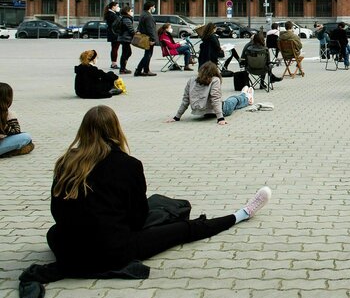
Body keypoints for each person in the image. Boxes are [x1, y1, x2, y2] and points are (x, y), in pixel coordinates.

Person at [48, 105, 271, 277]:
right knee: (183, 229)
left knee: (54, 231)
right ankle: (242, 214)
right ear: (116, 129)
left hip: (69, 247)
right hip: (112, 250)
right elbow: (137, 220)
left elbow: (57, 212)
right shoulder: (128, 164)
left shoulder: (66, 161)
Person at [167, 62, 255, 125]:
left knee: (234, 104)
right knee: (233, 99)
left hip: (203, 112)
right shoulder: (215, 80)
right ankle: (246, 96)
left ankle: (246, 98)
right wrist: (220, 118)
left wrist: (177, 117)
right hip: (222, 109)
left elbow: (185, 100)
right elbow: (215, 99)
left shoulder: (191, 80)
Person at [0, 82, 34, 158]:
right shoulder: (8, 114)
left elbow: (16, 131)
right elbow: (16, 132)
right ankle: (9, 152)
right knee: (26, 137)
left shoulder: (6, 113)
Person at [134, 2, 158, 77]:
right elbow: (150, 28)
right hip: (148, 38)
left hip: (145, 36)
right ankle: (141, 70)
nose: (154, 8)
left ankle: (143, 70)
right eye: (154, 6)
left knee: (147, 54)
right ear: (150, 7)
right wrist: (153, 39)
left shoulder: (143, 14)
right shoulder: (148, 16)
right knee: (148, 55)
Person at [115, 4, 135, 75]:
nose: (132, 12)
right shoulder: (126, 19)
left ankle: (123, 68)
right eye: (131, 11)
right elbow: (130, 29)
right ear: (127, 11)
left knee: (127, 52)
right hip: (125, 38)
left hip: (124, 38)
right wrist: (135, 34)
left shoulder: (124, 18)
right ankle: (122, 69)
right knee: (126, 53)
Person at [104, 1, 121, 70]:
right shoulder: (111, 14)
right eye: (117, 6)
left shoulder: (112, 13)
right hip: (114, 33)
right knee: (115, 48)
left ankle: (113, 63)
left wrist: (118, 12)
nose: (118, 7)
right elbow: (118, 21)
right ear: (113, 7)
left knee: (114, 48)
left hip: (113, 33)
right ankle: (114, 63)